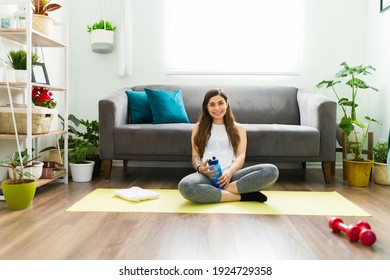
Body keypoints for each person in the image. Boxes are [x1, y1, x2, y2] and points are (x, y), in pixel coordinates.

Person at [178, 88, 279, 203]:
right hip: (207, 176)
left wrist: (229, 172)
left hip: (232, 176)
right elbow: (195, 156)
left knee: (271, 171)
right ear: (206, 107)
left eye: (220, 103)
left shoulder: (239, 128)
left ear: (227, 103)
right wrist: (200, 168)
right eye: (212, 104)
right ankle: (241, 196)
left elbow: (241, 156)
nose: (217, 108)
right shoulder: (198, 127)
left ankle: (216, 191)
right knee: (185, 186)